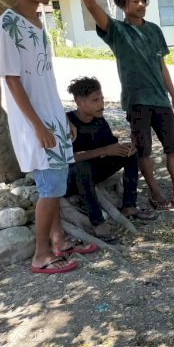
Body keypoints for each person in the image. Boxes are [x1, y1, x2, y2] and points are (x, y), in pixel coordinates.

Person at [0, 0, 96, 275]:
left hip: (51, 119)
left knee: (53, 186)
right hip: (33, 123)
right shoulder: (8, 23)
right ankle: (40, 256)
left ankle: (59, 241)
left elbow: (45, 79)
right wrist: (37, 126)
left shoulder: (38, 24)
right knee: (51, 187)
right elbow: (11, 80)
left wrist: (62, 118)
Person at [73, 0, 174, 210]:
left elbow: (161, 66)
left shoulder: (154, 31)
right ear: (122, 4)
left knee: (173, 148)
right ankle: (155, 193)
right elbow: (90, 4)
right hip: (137, 102)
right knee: (144, 152)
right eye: (135, 1)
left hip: (161, 101)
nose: (141, 4)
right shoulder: (116, 31)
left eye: (143, 0)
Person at [66, 77, 157, 243]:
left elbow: (111, 147)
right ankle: (97, 222)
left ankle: (129, 206)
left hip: (92, 172)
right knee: (82, 166)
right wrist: (105, 150)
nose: (101, 104)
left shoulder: (99, 121)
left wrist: (126, 147)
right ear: (79, 102)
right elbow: (67, 158)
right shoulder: (67, 123)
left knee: (130, 155)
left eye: (102, 98)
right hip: (68, 179)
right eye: (95, 100)